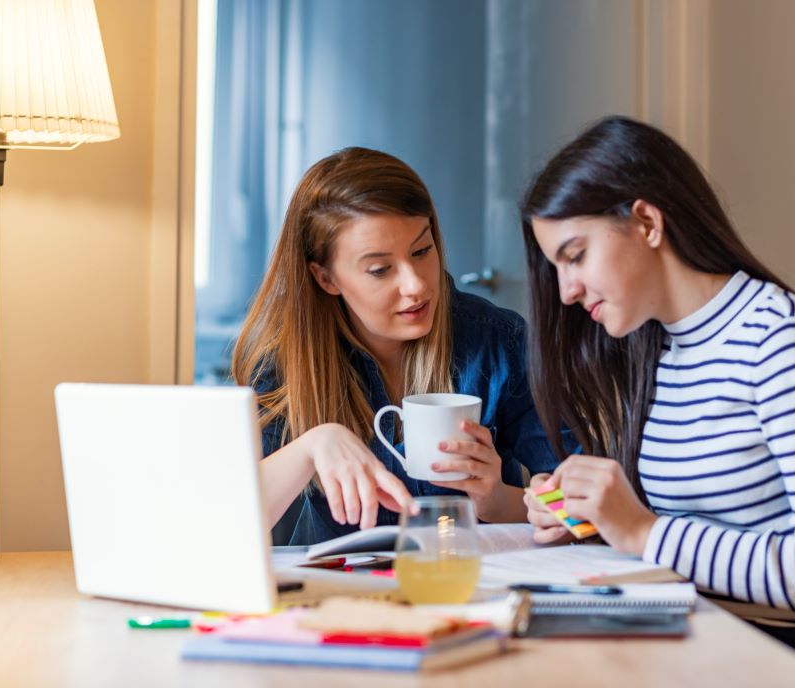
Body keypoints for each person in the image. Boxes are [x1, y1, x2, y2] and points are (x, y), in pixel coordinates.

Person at [520, 116, 795, 680]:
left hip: (771, 657)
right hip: (688, 633)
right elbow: (696, 527)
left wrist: (642, 531)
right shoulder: (662, 347)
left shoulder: (783, 341)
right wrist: (588, 518)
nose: (566, 291)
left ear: (645, 222)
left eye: (575, 255)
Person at [232, 146, 565, 547]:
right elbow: (222, 525)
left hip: (471, 584)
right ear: (325, 278)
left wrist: (495, 499)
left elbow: (575, 509)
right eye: (380, 269)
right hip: (340, 594)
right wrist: (312, 446)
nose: (417, 285)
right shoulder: (285, 363)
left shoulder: (499, 341)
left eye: (422, 251)